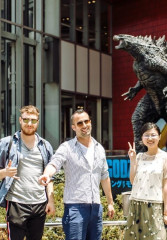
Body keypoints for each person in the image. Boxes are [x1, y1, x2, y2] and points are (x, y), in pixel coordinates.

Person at [39, 108, 115, 240]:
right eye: (80, 123)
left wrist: (110, 203)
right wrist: (47, 174)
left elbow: (104, 176)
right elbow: (54, 163)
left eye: (87, 121)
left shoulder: (100, 149)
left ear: (91, 122)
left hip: (96, 209)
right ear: (73, 127)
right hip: (75, 209)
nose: (84, 125)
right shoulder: (67, 147)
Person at [0, 105, 55, 240]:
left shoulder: (45, 146)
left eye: (33, 120)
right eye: (26, 120)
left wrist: (51, 201)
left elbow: (49, 177)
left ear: (38, 122)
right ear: (20, 120)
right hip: (16, 203)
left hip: (39, 204)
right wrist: (4, 173)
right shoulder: (8, 143)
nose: (29, 124)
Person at [124, 122, 167, 240]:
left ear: (159, 137)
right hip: (136, 204)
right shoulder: (139, 156)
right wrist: (133, 160)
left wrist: (166, 212)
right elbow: (133, 181)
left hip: (155, 205)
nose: (150, 138)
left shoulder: (164, 157)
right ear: (142, 138)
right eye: (146, 135)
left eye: (153, 135)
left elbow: (165, 186)